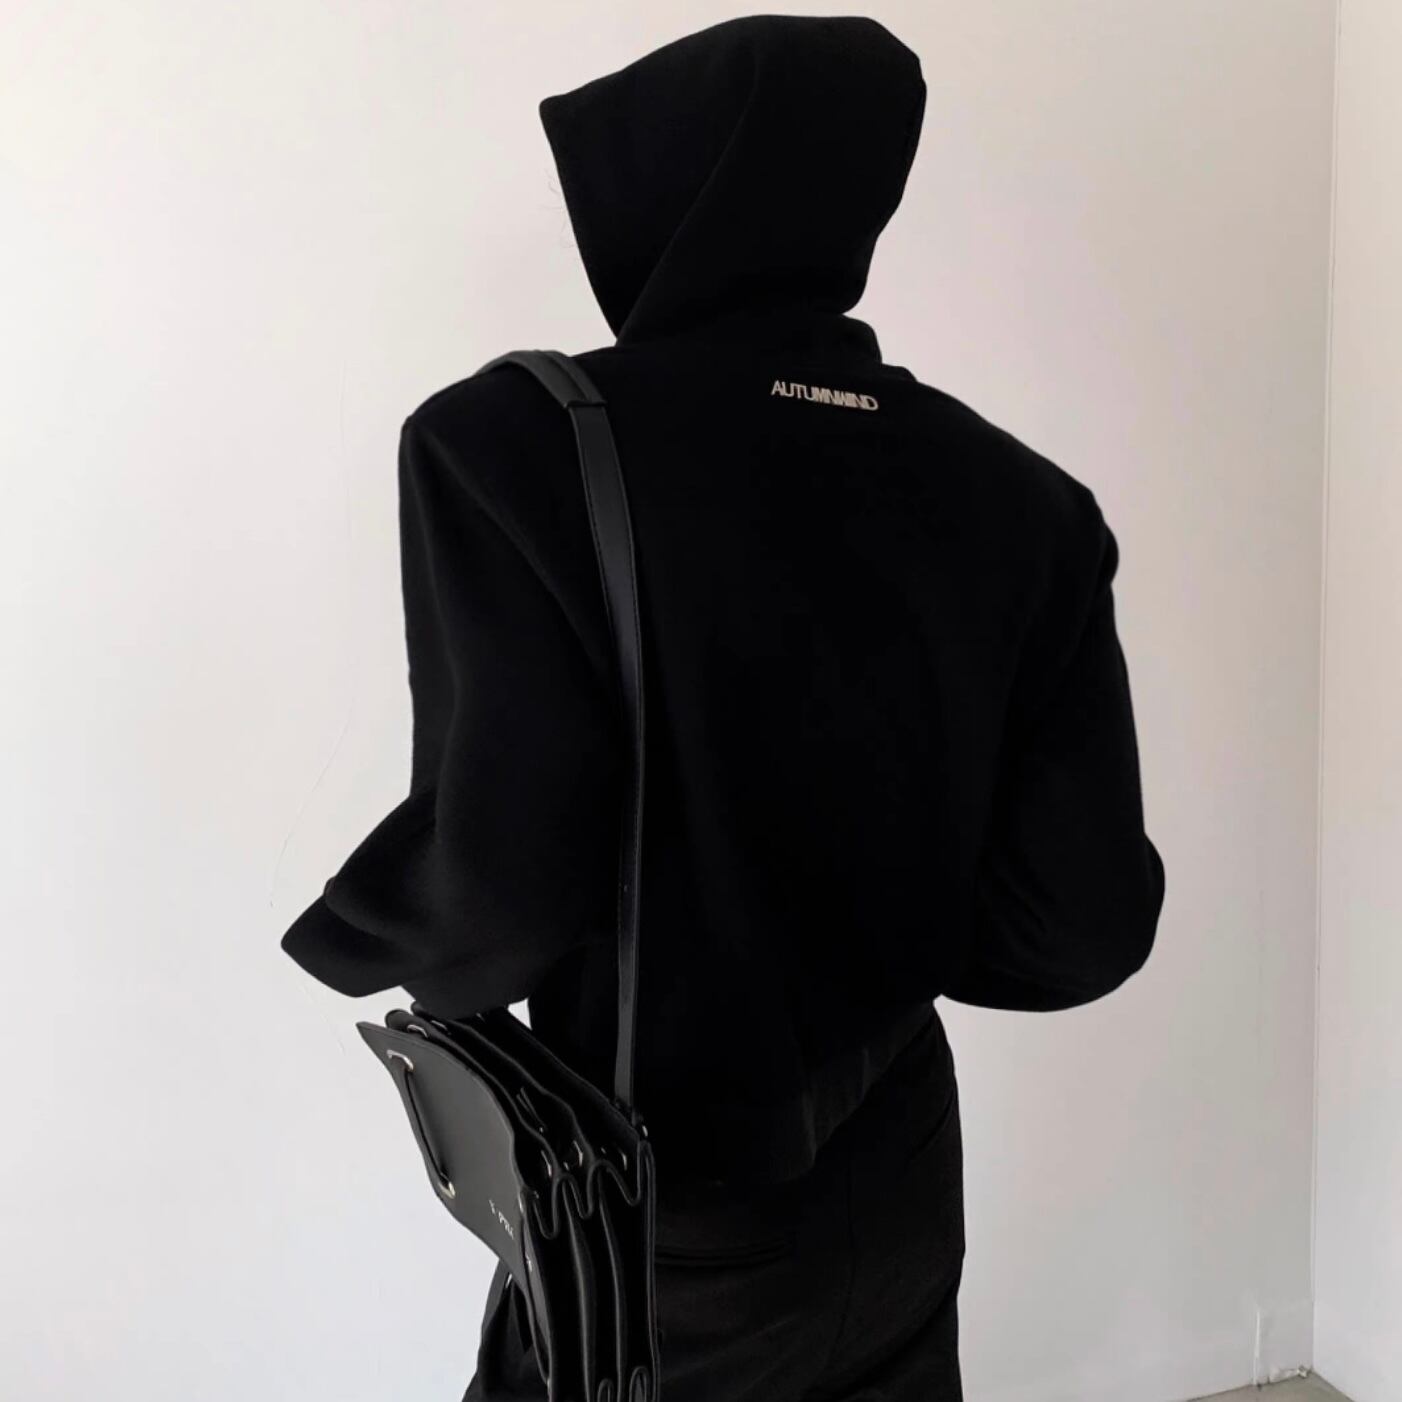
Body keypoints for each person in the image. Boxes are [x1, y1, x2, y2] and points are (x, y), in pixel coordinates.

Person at [279, 14, 1166, 1401]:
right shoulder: (1026, 501)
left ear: (660, 195)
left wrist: (352, 934)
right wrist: (879, 922)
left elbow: (499, 885)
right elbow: (1085, 923)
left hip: (657, 1206)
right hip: (899, 1169)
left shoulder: (508, 446)